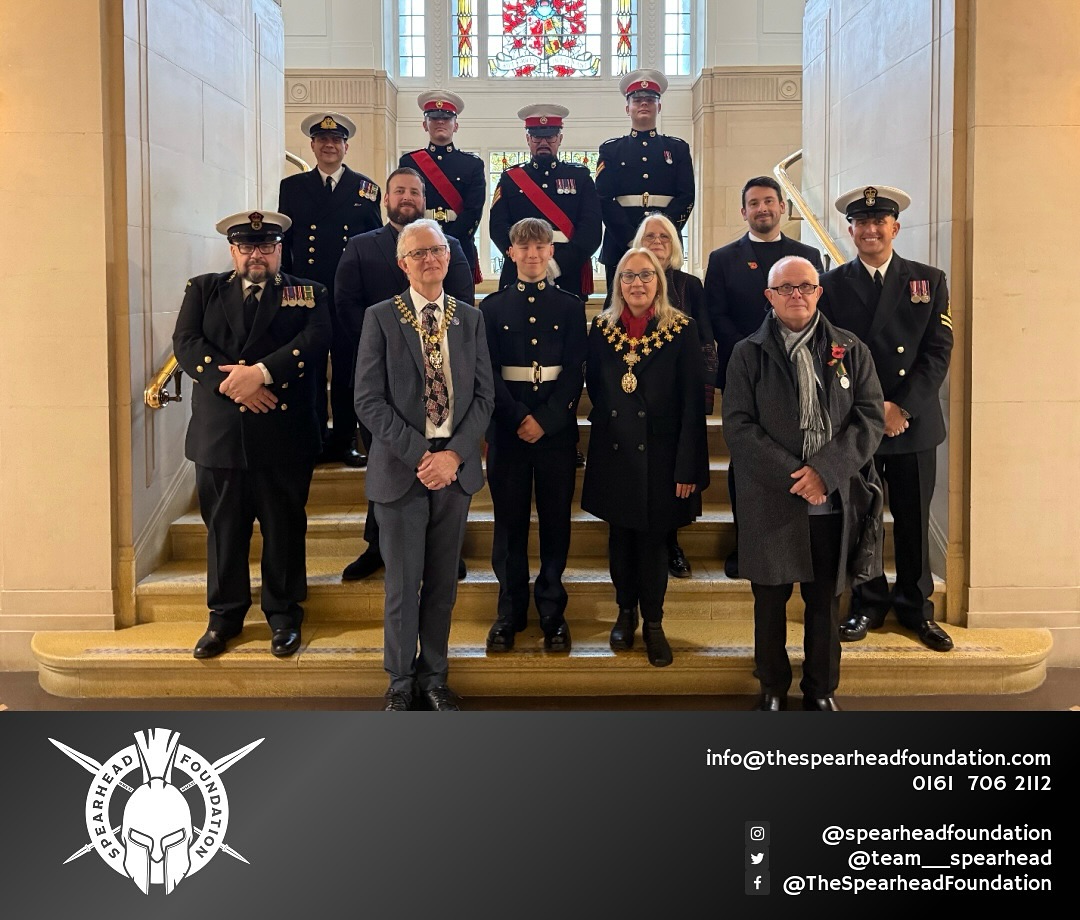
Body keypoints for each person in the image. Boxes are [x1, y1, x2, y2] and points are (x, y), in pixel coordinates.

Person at [723, 256, 885, 711]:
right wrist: (798, 477)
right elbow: (738, 426)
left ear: (819, 292)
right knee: (770, 603)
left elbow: (869, 419)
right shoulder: (746, 353)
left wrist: (826, 473)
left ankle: (820, 690)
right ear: (769, 297)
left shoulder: (851, 349)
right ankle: (772, 686)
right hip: (771, 498)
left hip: (832, 502)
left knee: (823, 604)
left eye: (806, 287)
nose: (797, 294)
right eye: (786, 288)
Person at [172, 210, 331, 659]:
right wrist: (236, 386)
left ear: (279, 250)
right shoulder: (202, 289)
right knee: (224, 529)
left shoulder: (307, 292)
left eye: (266, 247)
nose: (256, 255)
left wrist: (261, 373)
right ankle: (224, 617)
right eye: (247, 247)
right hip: (219, 435)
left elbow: (316, 340)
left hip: (284, 435)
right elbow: (186, 343)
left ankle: (283, 615)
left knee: (284, 527)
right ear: (233, 250)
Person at [354, 219, 494, 711]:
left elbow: (483, 396)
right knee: (401, 584)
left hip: (454, 472)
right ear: (403, 263)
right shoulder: (381, 318)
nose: (430, 259)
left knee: (440, 584)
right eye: (418, 253)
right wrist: (422, 456)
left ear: (449, 258)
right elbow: (368, 401)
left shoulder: (469, 319)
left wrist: (453, 455)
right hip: (401, 469)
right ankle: (399, 680)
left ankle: (434, 676)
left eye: (437, 250)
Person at [819, 185, 955, 653]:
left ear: (896, 228)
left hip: (913, 425)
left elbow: (937, 354)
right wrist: (876, 411)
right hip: (861, 425)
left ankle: (917, 608)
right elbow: (833, 356)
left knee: (915, 519)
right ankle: (868, 602)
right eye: (861, 222)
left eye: (880, 222)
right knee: (863, 517)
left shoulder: (928, 280)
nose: (870, 230)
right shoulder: (832, 286)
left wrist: (904, 408)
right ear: (850, 229)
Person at [335, 167, 475, 582]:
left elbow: (463, 305)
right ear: (387, 199)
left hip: (440, 377)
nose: (407, 197)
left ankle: (446, 549)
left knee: (443, 462)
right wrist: (385, 351)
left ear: (424, 197)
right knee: (388, 462)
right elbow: (345, 306)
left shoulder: (449, 246)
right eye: (399, 191)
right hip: (382, 381)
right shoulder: (361, 247)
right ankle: (378, 545)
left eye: (414, 191)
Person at [580, 248, 709, 667]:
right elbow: (597, 390)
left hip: (664, 454)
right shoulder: (601, 328)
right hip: (615, 451)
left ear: (660, 281)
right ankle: (624, 612)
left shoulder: (681, 329)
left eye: (646, 275)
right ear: (617, 283)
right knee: (620, 540)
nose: (637, 283)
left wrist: (689, 464)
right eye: (628, 276)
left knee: (654, 545)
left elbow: (693, 402)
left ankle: (653, 624)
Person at [705, 175, 824, 579]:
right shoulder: (723, 259)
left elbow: (815, 313)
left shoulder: (806, 254)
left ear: (782, 208)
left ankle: (798, 545)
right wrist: (752, 354)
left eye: (770, 201)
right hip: (743, 374)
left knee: (798, 456)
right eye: (754, 203)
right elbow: (715, 315)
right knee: (747, 463)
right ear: (744, 212)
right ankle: (747, 545)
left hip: (797, 376)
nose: (762, 209)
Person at [481, 218, 587, 653]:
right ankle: (509, 610)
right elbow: (486, 375)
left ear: (550, 252)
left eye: (540, 247)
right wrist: (518, 416)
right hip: (507, 431)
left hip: (555, 431)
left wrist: (545, 419)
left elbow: (575, 371)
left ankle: (551, 608)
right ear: (511, 253)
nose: (532, 255)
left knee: (555, 521)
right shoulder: (490, 308)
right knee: (508, 524)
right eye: (523, 248)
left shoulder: (570, 306)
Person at [278, 112, 382, 467]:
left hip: (348, 295)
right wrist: (286, 293)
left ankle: (343, 441)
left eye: (336, 140)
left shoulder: (366, 189)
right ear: (312, 145)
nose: (329, 145)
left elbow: (374, 244)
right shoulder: (291, 188)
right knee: (307, 369)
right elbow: (285, 246)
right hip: (306, 293)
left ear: (345, 146)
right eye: (322, 140)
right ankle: (313, 437)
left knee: (347, 370)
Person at [630, 213, 716, 580]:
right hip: (635, 402)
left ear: (674, 245)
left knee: (674, 481)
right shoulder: (626, 285)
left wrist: (704, 395)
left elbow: (707, 343)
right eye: (649, 236)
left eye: (664, 237)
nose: (657, 242)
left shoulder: (690, 285)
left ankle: (672, 543)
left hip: (678, 400)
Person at [489, 104, 603, 302]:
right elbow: (498, 227)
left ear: (560, 138)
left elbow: (590, 232)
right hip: (518, 273)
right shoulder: (510, 179)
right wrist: (523, 261)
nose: (543, 142)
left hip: (567, 274)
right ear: (528, 139)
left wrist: (555, 265)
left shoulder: (580, 177)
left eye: (550, 136)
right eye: (536, 136)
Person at [596, 69, 695, 293]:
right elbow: (603, 199)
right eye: (637, 100)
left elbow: (687, 196)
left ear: (659, 107)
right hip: (620, 243)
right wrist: (632, 240)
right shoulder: (611, 150)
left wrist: (661, 236)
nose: (644, 104)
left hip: (665, 245)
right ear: (627, 108)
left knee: (668, 303)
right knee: (618, 305)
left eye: (650, 100)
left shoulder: (677, 149)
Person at [399, 90, 486, 284]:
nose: (440, 122)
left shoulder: (472, 165)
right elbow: (406, 207)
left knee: (460, 311)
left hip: (459, 248)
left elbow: (473, 211)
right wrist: (426, 245)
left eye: (446, 118)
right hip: (419, 251)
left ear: (456, 125)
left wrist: (443, 245)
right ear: (425, 124)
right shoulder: (409, 162)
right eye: (434, 117)